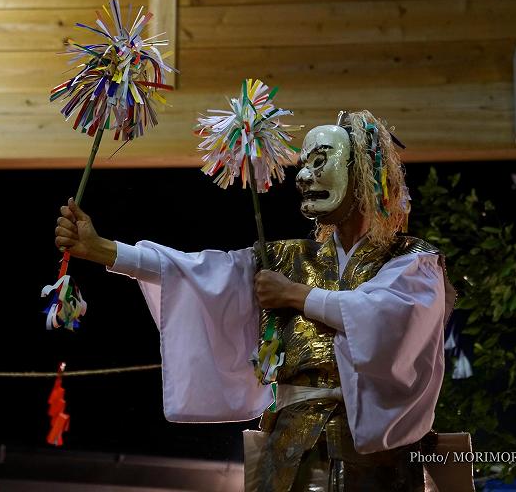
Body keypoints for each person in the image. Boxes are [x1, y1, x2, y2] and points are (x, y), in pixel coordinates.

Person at [54, 110, 454, 491]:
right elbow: (199, 272)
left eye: (320, 161)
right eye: (304, 164)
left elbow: (386, 315)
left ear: (362, 174)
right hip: (289, 446)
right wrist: (105, 250)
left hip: (380, 456)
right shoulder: (288, 258)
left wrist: (295, 295)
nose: (304, 176)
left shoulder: (411, 260)